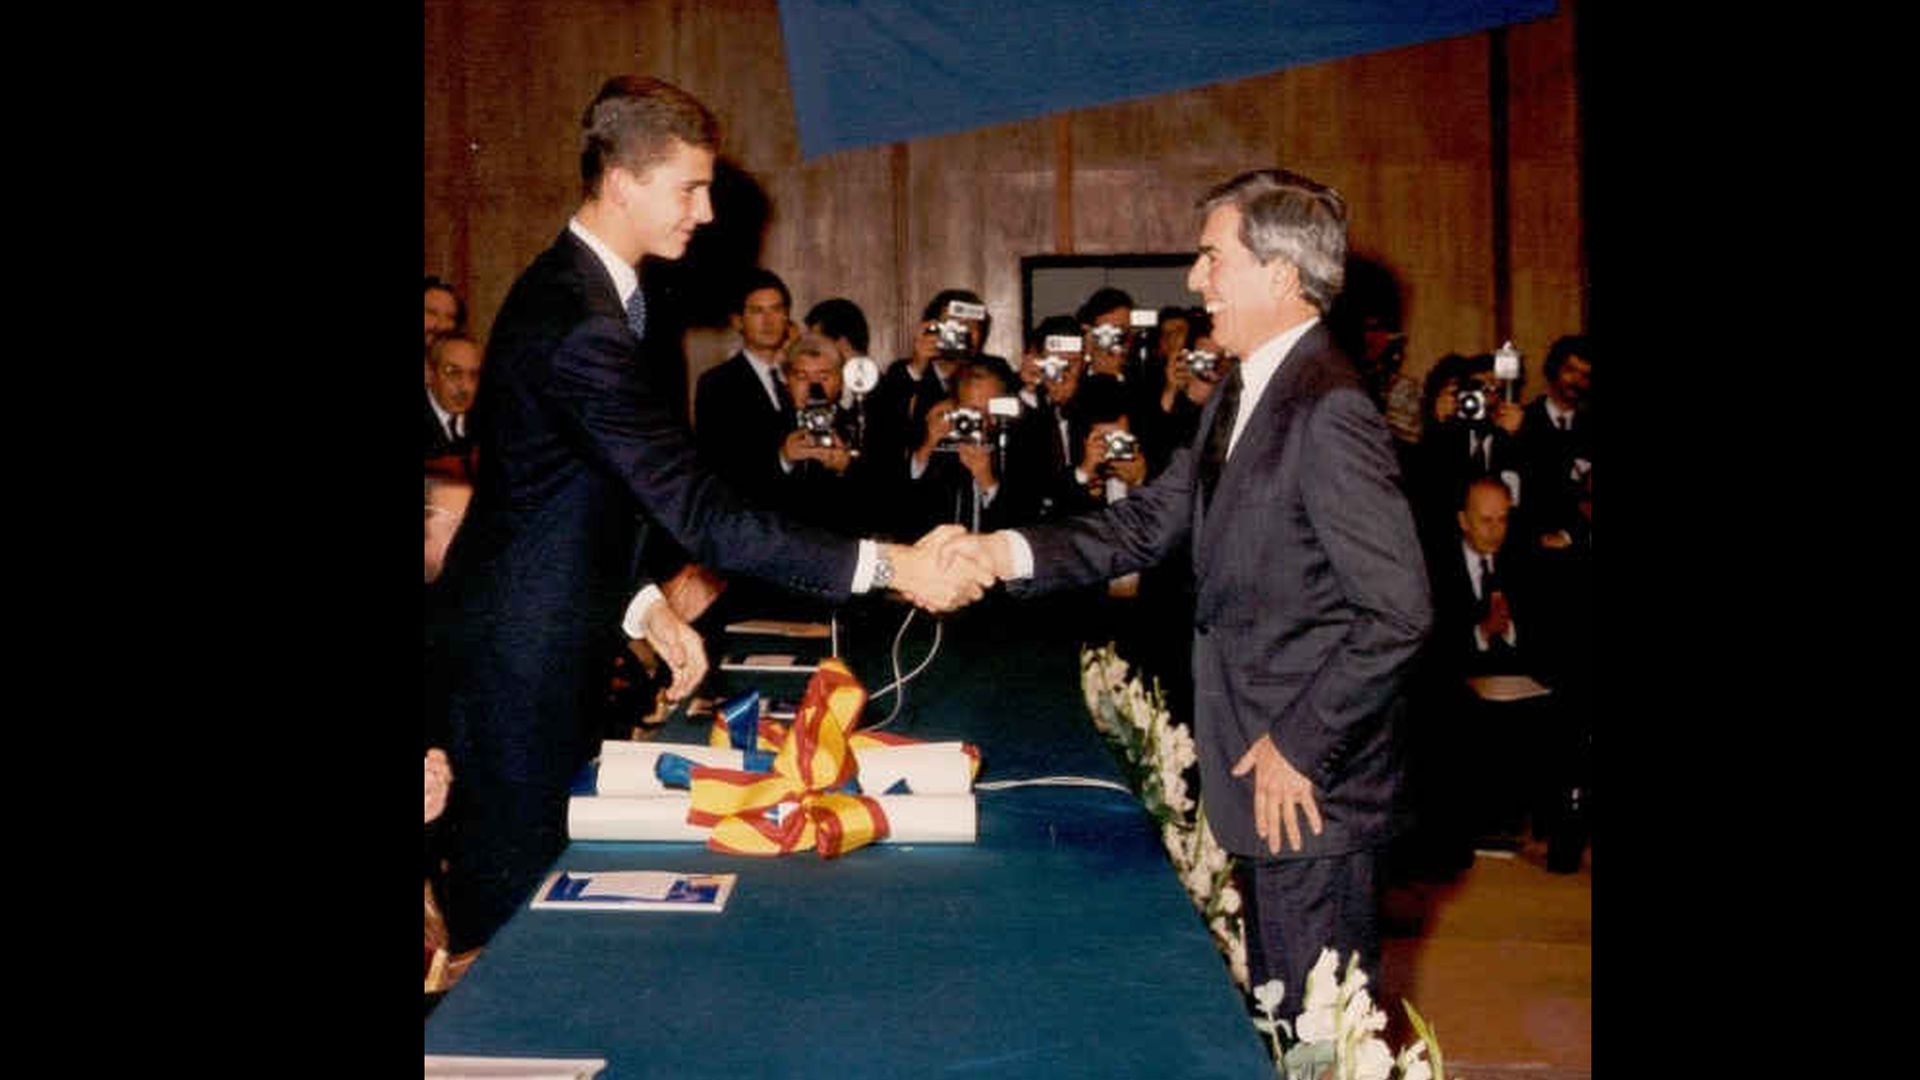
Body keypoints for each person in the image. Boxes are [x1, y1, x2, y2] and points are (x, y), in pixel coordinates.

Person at [426, 74, 991, 953]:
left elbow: (569, 491)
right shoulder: (579, 320)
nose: (706, 211)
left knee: (552, 917)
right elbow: (701, 510)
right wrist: (893, 565)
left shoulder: (606, 298)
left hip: (550, 636)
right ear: (623, 184)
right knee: (517, 943)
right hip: (514, 663)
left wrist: (643, 603)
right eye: (688, 187)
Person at [946, 169, 1430, 1014]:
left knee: (1312, 1030)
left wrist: (1300, 744)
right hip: (1260, 767)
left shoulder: (1330, 408)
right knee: (1278, 1010)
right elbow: (1146, 525)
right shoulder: (1248, 385)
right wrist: (1001, 551)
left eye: (1212, 257)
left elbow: (1398, 609)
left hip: (1307, 788)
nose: (1195, 281)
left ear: (1279, 276)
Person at [694, 269, 798, 507]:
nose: (768, 321)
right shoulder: (717, 384)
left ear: (787, 317)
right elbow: (720, 467)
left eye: (777, 309)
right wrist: (782, 459)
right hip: (751, 520)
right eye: (757, 311)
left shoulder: (800, 376)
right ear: (738, 321)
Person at [424, 334, 484, 466]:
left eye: (474, 375)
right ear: (429, 373)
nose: (466, 387)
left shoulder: (487, 421)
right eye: (453, 373)